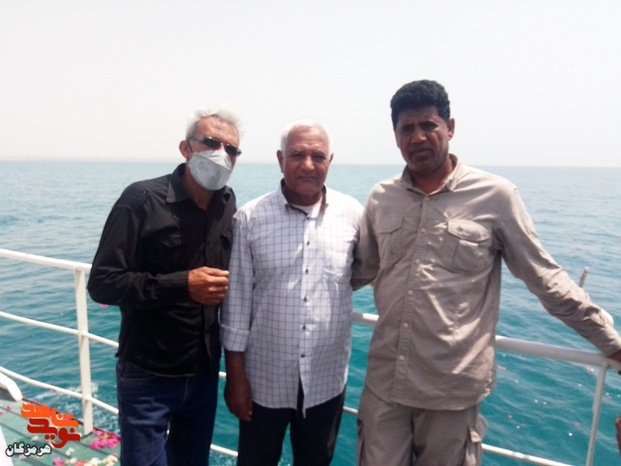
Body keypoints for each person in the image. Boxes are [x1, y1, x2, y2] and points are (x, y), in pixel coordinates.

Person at [354, 79, 621, 466]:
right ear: (395, 137)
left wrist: (610, 342)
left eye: (428, 125)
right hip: (385, 385)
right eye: (406, 128)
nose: (418, 137)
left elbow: (545, 278)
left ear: (450, 127)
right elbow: (358, 269)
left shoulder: (495, 196)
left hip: (451, 389)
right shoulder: (382, 197)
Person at [87, 107, 242, 466]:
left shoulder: (227, 203)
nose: (221, 154)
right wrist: (183, 284)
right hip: (148, 374)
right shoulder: (141, 199)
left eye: (231, 149)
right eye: (211, 143)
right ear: (186, 148)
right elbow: (103, 283)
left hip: (203, 373)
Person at [221, 119, 364, 465]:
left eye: (318, 156)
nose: (308, 165)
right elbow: (236, 305)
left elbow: (362, 271)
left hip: (325, 379)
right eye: (298, 155)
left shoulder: (353, 215)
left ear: (330, 161)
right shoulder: (250, 219)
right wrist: (235, 378)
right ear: (280, 158)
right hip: (263, 379)